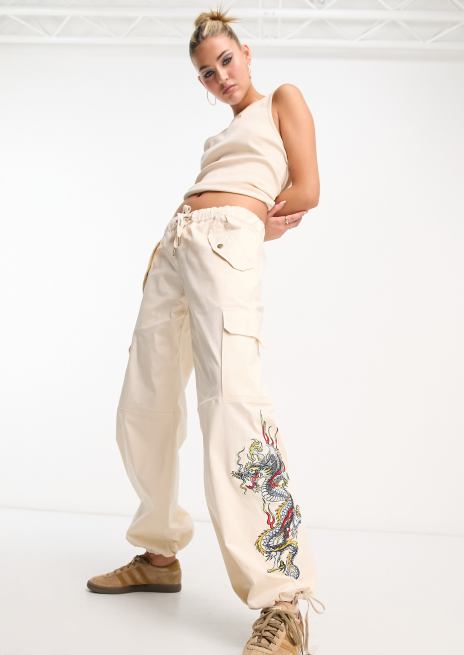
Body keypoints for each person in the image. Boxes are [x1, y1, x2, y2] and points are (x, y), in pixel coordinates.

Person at [86, 5, 325, 654]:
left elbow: (307, 188)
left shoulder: (281, 100)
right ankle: (158, 553)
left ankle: (283, 601)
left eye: (225, 60)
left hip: (225, 246)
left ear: (245, 52)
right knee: (142, 408)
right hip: (174, 249)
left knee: (233, 409)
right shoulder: (218, 138)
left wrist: (255, 221)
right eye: (206, 72)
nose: (220, 76)